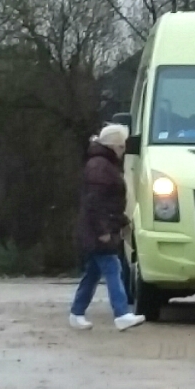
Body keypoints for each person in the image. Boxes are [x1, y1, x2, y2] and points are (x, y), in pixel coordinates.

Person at [69, 124, 145, 331]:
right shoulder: (101, 167)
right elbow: (95, 203)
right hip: (98, 230)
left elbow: (105, 203)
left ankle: (76, 312)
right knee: (113, 268)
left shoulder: (100, 165)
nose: (123, 151)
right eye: (121, 147)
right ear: (113, 146)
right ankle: (121, 314)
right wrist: (103, 230)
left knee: (93, 273)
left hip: (97, 228)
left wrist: (121, 223)